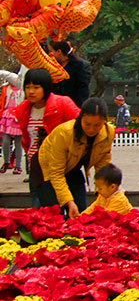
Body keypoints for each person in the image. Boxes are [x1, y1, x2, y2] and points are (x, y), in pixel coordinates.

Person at [37, 97, 114, 218]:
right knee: (55, 216)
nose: (91, 129)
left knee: (81, 214)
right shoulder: (64, 133)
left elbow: (103, 166)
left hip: (73, 167)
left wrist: (102, 193)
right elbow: (56, 172)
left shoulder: (108, 133)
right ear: (80, 118)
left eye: (97, 125)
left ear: (104, 121)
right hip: (46, 170)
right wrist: (69, 202)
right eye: (87, 124)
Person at [15, 69, 81, 204]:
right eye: (28, 87)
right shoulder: (23, 109)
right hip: (36, 167)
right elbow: (27, 139)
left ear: (46, 87)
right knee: (40, 214)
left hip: (62, 167)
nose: (31, 91)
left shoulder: (62, 104)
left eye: (36, 87)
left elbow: (81, 126)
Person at [48, 39, 92, 107]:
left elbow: (83, 90)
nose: (49, 54)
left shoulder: (80, 66)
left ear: (59, 51)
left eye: (51, 51)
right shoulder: (53, 65)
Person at [0, 69, 23, 175]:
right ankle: (6, 162)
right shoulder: (6, 88)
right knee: (5, 141)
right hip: (7, 116)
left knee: (19, 143)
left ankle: (18, 165)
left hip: (18, 116)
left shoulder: (22, 88)